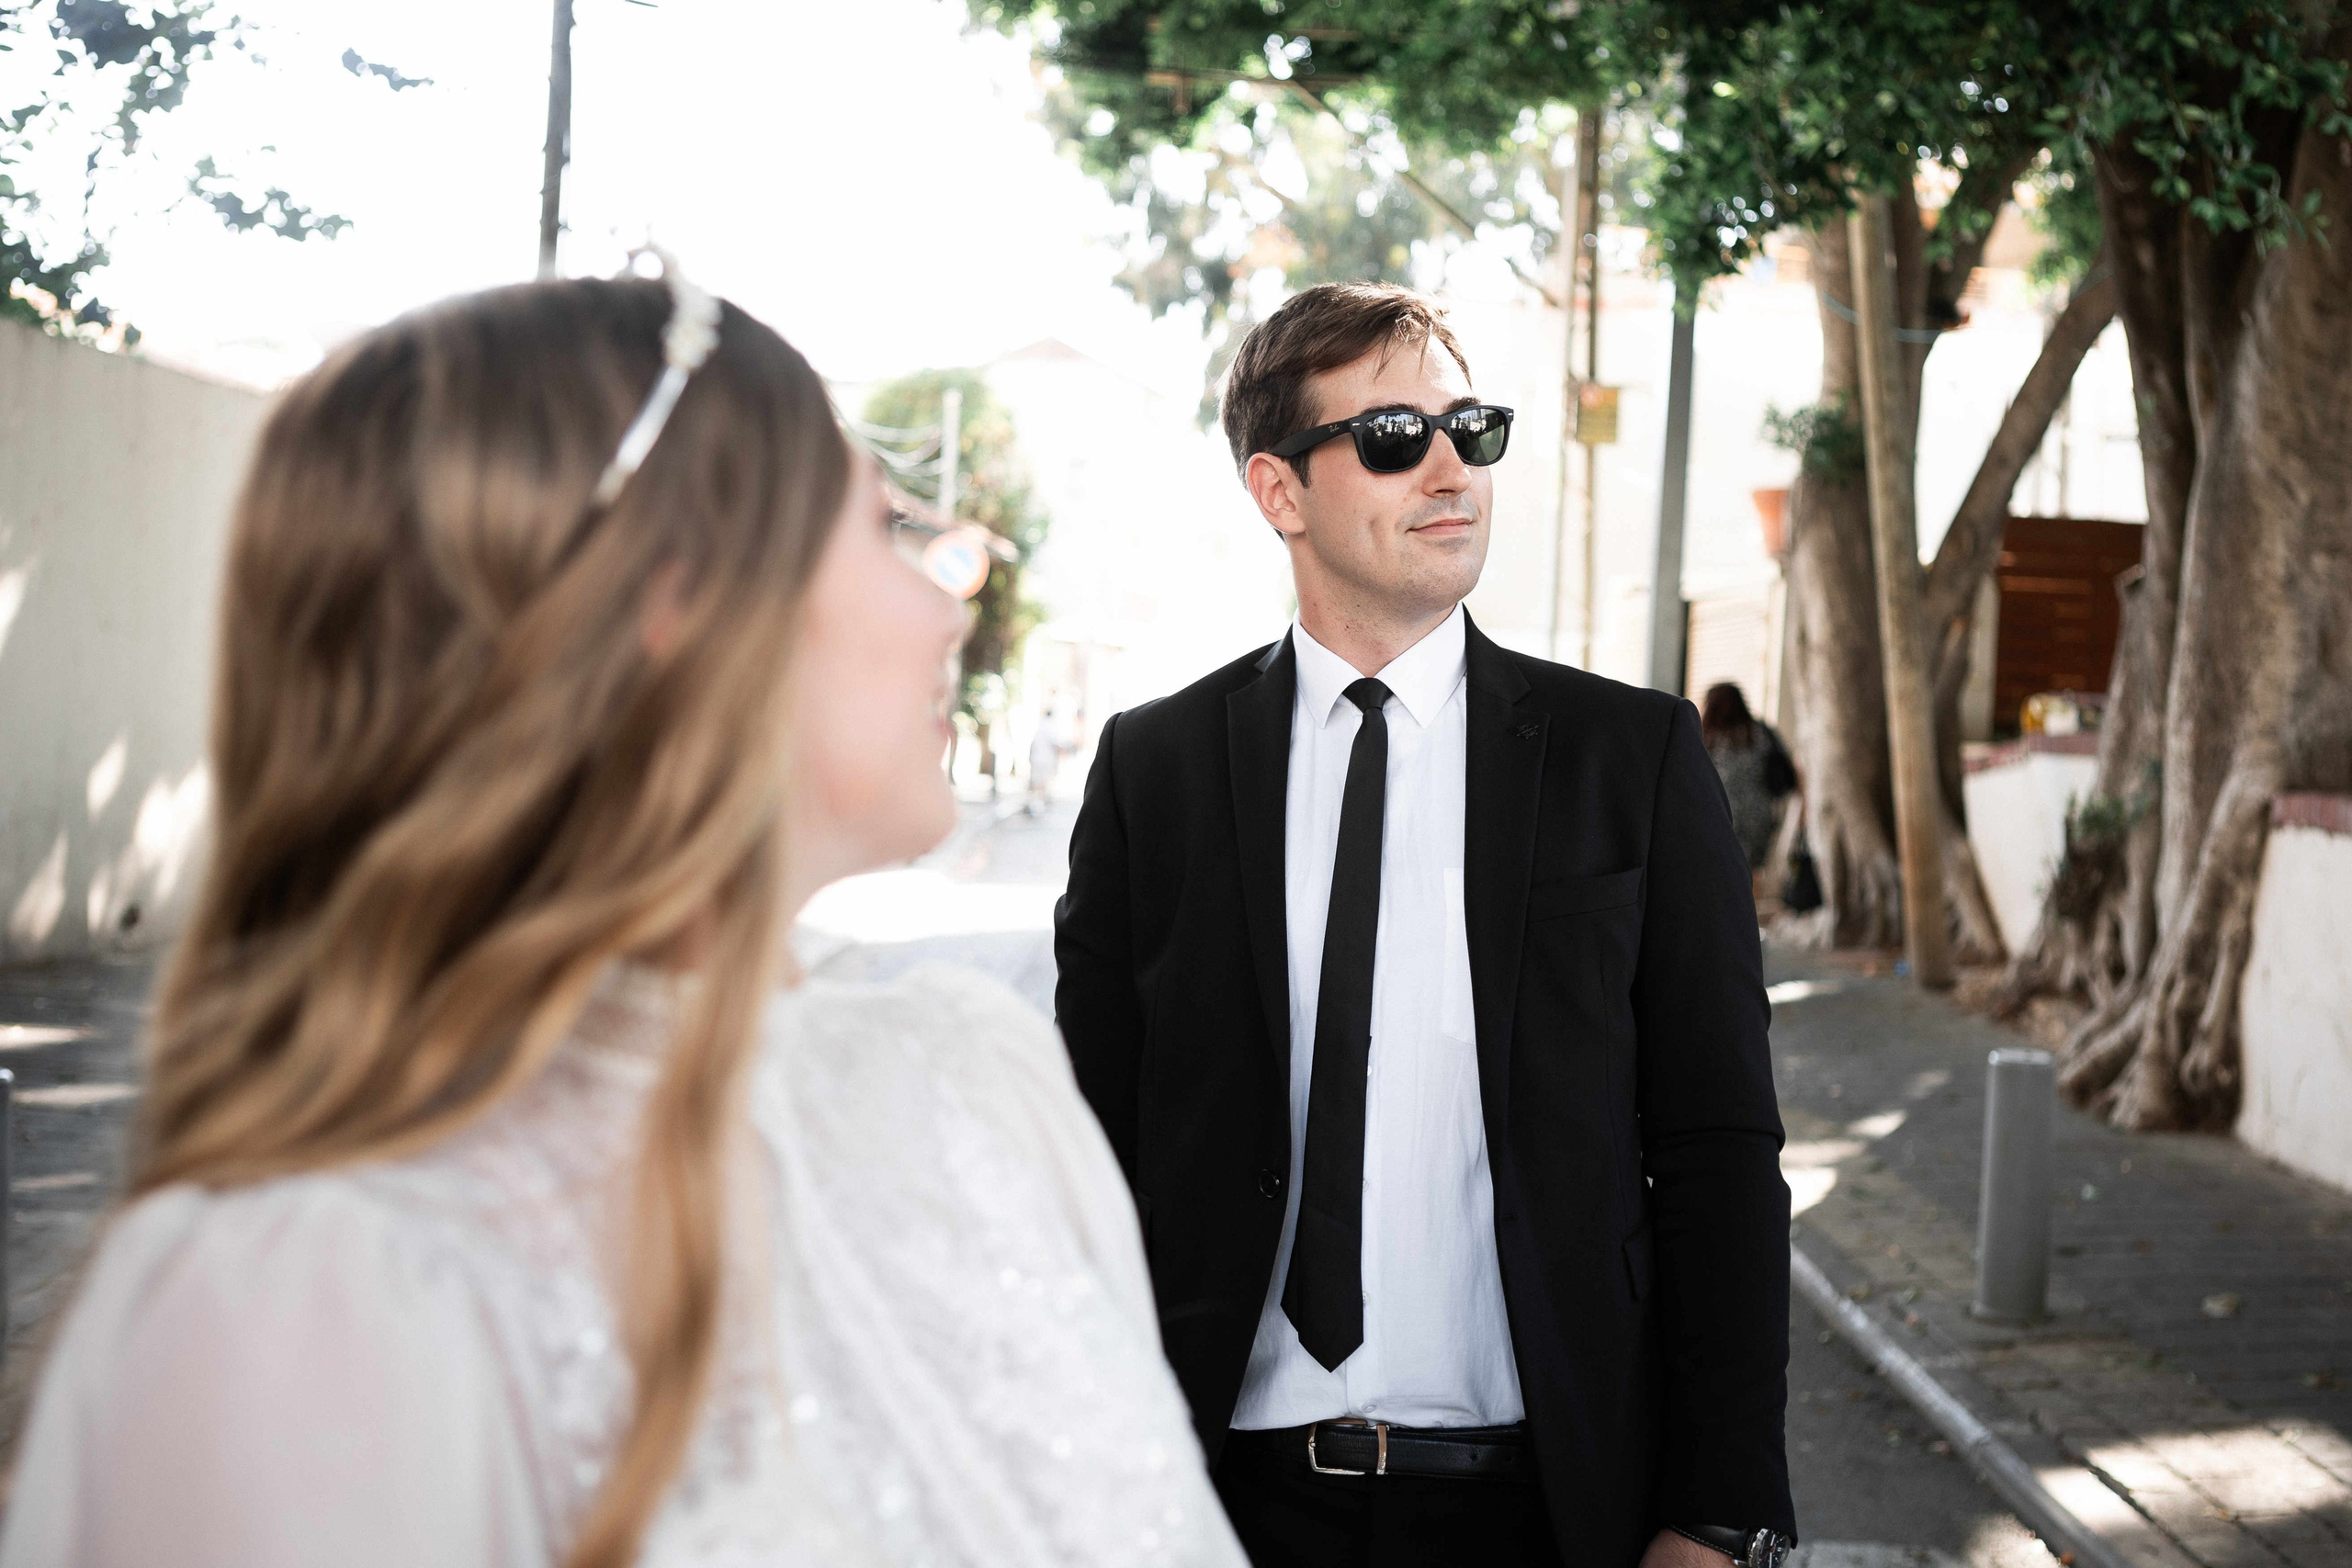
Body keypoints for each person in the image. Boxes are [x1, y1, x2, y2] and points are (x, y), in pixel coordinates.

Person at [1, 270, 1244, 1568]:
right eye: (880, 528)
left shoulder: (976, 1083)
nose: (949, 601)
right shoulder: (300, 1296)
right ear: (677, 603)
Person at [1054, 283, 1795, 1568]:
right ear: (1279, 491)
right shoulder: (1153, 771)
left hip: (1542, 1506)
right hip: (1217, 1506)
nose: (1453, 467)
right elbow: (1088, 1156)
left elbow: (1720, 1144)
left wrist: (1723, 1508)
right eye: (1397, 436)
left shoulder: (1630, 757)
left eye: (1474, 428)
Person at [1698, 682, 1799, 876]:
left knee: (1716, 873)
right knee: (1749, 875)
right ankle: (1748, 906)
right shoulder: (1760, 732)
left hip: (1719, 815)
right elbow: (1788, 765)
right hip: (1759, 816)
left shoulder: (1707, 737)